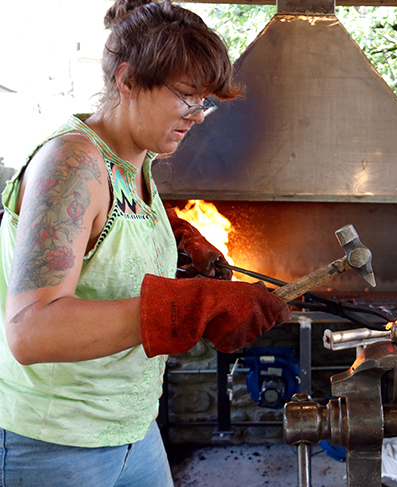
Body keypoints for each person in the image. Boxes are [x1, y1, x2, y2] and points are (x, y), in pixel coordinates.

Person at [0, 1, 291, 485]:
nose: (198, 116)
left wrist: (180, 237)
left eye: (204, 101)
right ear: (127, 79)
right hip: (55, 446)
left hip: (134, 430)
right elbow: (31, 331)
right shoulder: (70, 165)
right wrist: (191, 304)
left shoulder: (134, 161)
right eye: (186, 96)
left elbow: (108, 230)